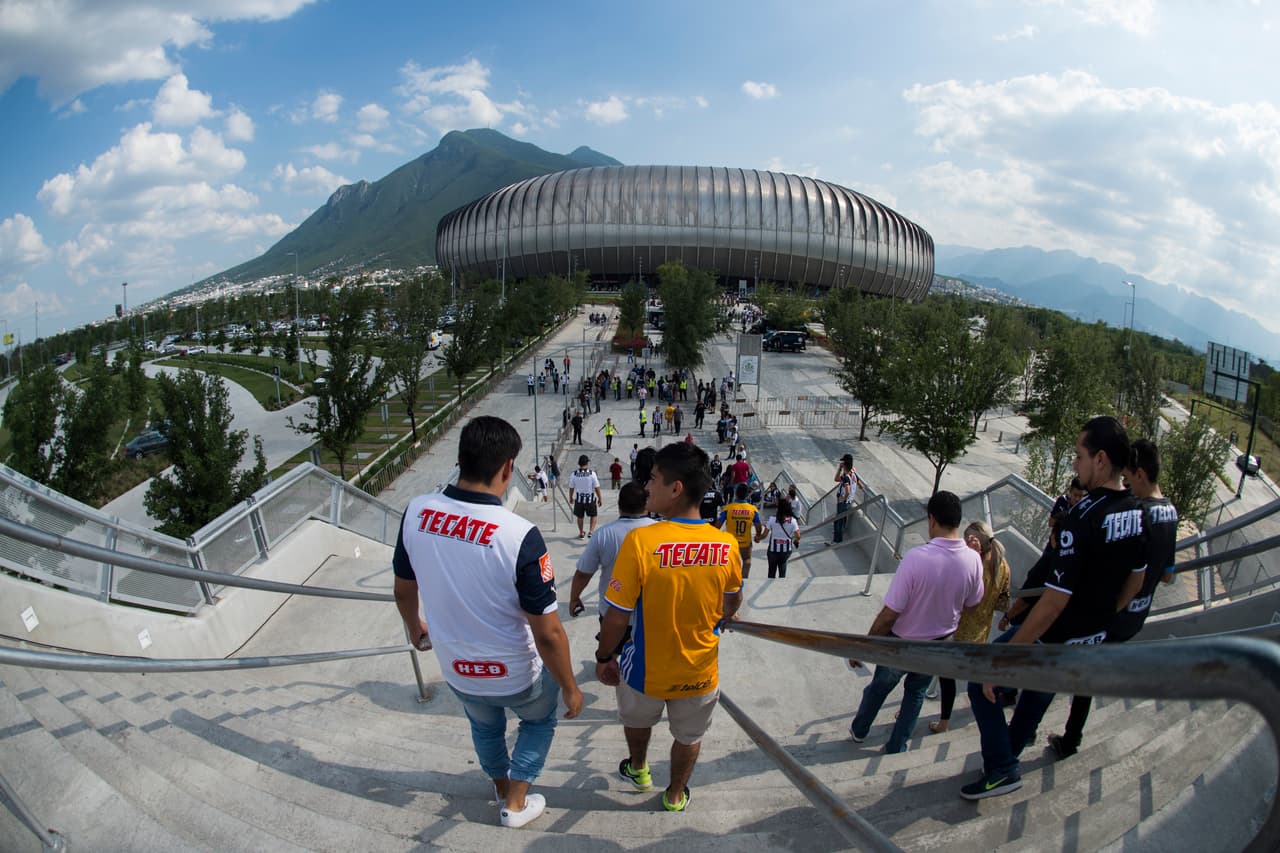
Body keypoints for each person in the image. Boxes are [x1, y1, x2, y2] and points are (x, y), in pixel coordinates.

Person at [392, 416, 582, 828]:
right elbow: (547, 632)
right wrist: (570, 687)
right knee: (537, 721)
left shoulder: (417, 512)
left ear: (460, 459)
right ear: (507, 468)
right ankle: (515, 803)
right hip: (517, 673)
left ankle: (498, 783)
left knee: (484, 725)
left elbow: (403, 590)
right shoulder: (519, 535)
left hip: (458, 667)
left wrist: (415, 628)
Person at [962, 416, 1147, 800]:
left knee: (982, 679)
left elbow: (1053, 602)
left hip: (1056, 636)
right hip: (1091, 640)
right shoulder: (1137, 511)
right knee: (1036, 697)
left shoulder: (1081, 517)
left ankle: (1001, 768)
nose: (1074, 465)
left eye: (1078, 456)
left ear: (1099, 459)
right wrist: (1101, 618)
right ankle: (1008, 756)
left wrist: (1005, 661)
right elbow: (1137, 579)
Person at [594, 442, 743, 813]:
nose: (647, 487)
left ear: (675, 489)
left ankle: (640, 769)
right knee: (689, 736)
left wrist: (604, 656)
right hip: (700, 671)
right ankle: (675, 794)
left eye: (654, 480)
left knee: (637, 720)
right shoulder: (726, 545)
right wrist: (723, 615)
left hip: (644, 671)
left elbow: (616, 616)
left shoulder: (641, 541)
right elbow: (733, 600)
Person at [1048, 438, 1179, 759]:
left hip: (1112, 615)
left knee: (1076, 672)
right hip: (1137, 616)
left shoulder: (1140, 513)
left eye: (1130, 477)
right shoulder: (1170, 513)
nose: (1128, 485)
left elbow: (1125, 572)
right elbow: (1168, 574)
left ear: (1141, 474)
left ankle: (1069, 738)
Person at [848, 491, 984, 754]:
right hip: (939, 643)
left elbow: (890, 613)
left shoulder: (916, 558)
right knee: (915, 694)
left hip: (901, 642)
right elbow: (973, 604)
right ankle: (897, 744)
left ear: (932, 520)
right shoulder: (973, 559)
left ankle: (860, 730)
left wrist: (864, 644)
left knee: (880, 687)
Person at [929, 521, 1010, 733]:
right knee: (978, 679)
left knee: (944, 676)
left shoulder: (973, 566)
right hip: (981, 632)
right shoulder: (1003, 566)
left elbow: (955, 594)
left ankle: (944, 722)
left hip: (957, 629)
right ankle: (996, 701)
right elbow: (1003, 602)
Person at [570, 481, 656, 624]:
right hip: (650, 616)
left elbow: (583, 574)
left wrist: (574, 598)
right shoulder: (661, 531)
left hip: (613, 615)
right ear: (646, 504)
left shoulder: (603, 534)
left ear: (619, 504)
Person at [717, 483, 765, 579]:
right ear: (747, 495)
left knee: (729, 562)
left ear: (736, 494)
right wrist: (758, 536)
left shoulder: (728, 509)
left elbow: (718, 525)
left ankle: (729, 580)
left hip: (730, 543)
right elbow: (758, 527)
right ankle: (743, 580)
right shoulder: (752, 510)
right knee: (747, 561)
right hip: (745, 542)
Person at [758, 498, 802, 579]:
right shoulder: (793, 521)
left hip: (773, 550)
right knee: (782, 569)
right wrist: (796, 540)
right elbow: (798, 535)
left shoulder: (772, 519)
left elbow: (764, 535)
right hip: (786, 550)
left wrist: (757, 538)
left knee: (771, 572)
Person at [568, 454, 604, 540]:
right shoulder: (592, 474)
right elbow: (596, 487)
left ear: (579, 463)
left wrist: (570, 497)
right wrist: (600, 498)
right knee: (593, 515)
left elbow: (571, 487)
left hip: (579, 500)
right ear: (587, 463)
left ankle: (581, 532)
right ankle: (591, 532)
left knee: (580, 517)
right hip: (590, 499)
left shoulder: (574, 474)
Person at [830, 454, 862, 545]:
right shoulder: (854, 474)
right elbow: (861, 485)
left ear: (844, 464)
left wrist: (843, 498)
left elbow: (836, 479)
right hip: (849, 501)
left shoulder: (845, 477)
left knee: (839, 519)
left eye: (842, 463)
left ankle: (837, 540)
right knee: (843, 518)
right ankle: (840, 533)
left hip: (843, 501)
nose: (841, 464)